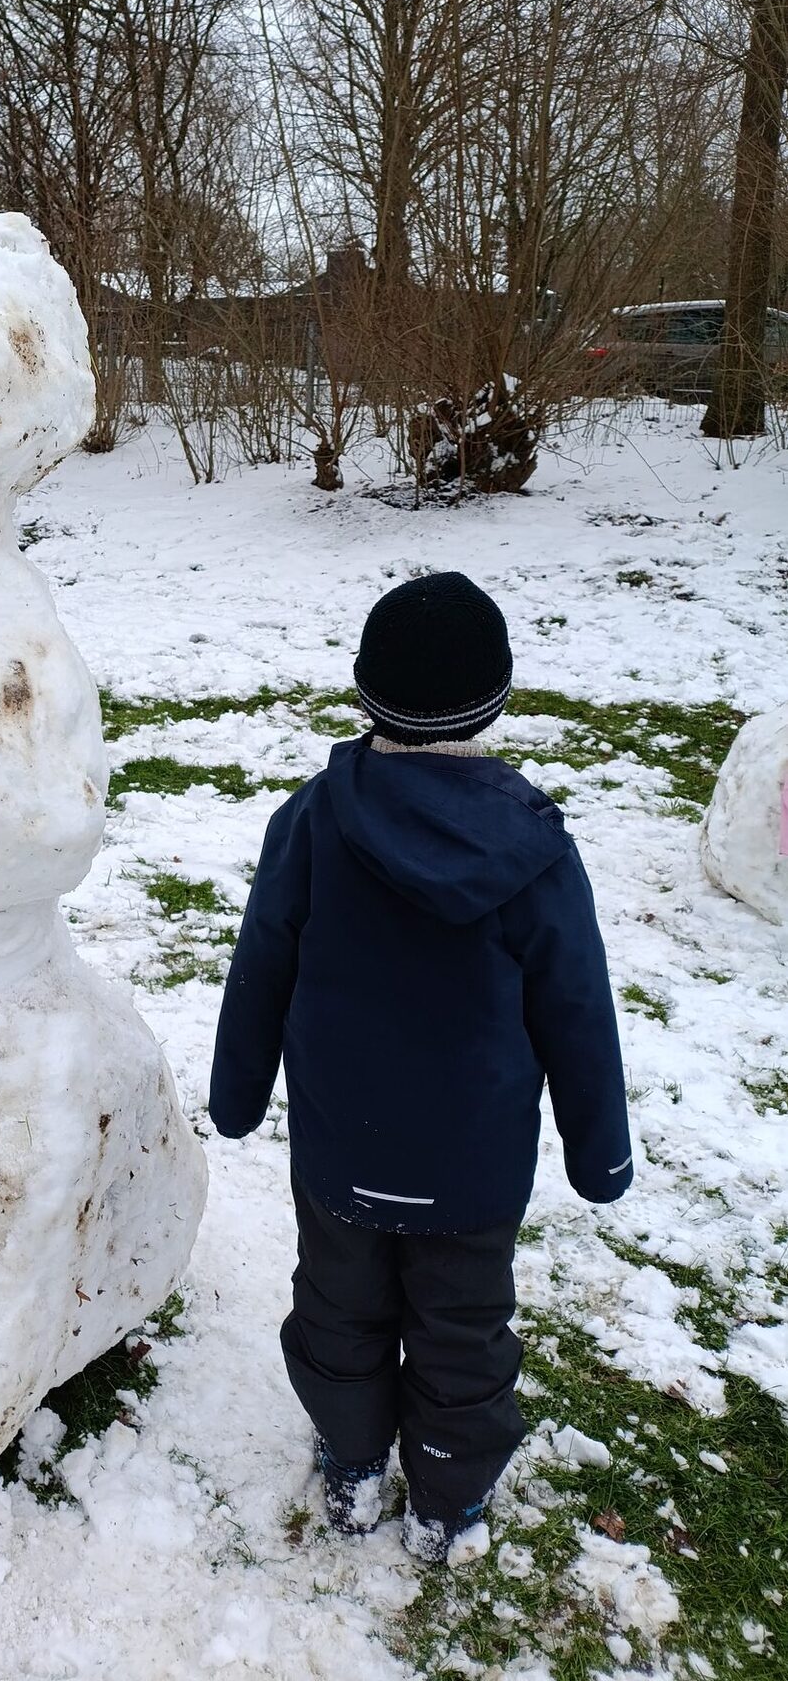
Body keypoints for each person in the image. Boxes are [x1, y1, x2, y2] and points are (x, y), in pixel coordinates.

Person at [209, 571, 632, 1564]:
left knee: (340, 1308)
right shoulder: (534, 849)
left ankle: (353, 1462)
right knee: (462, 1330)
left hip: (341, 1153)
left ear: (367, 693)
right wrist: (598, 1153)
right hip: (472, 1170)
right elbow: (575, 1007)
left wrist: (236, 1097)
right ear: (495, 700)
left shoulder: (311, 820)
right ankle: (446, 1496)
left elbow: (260, 964)